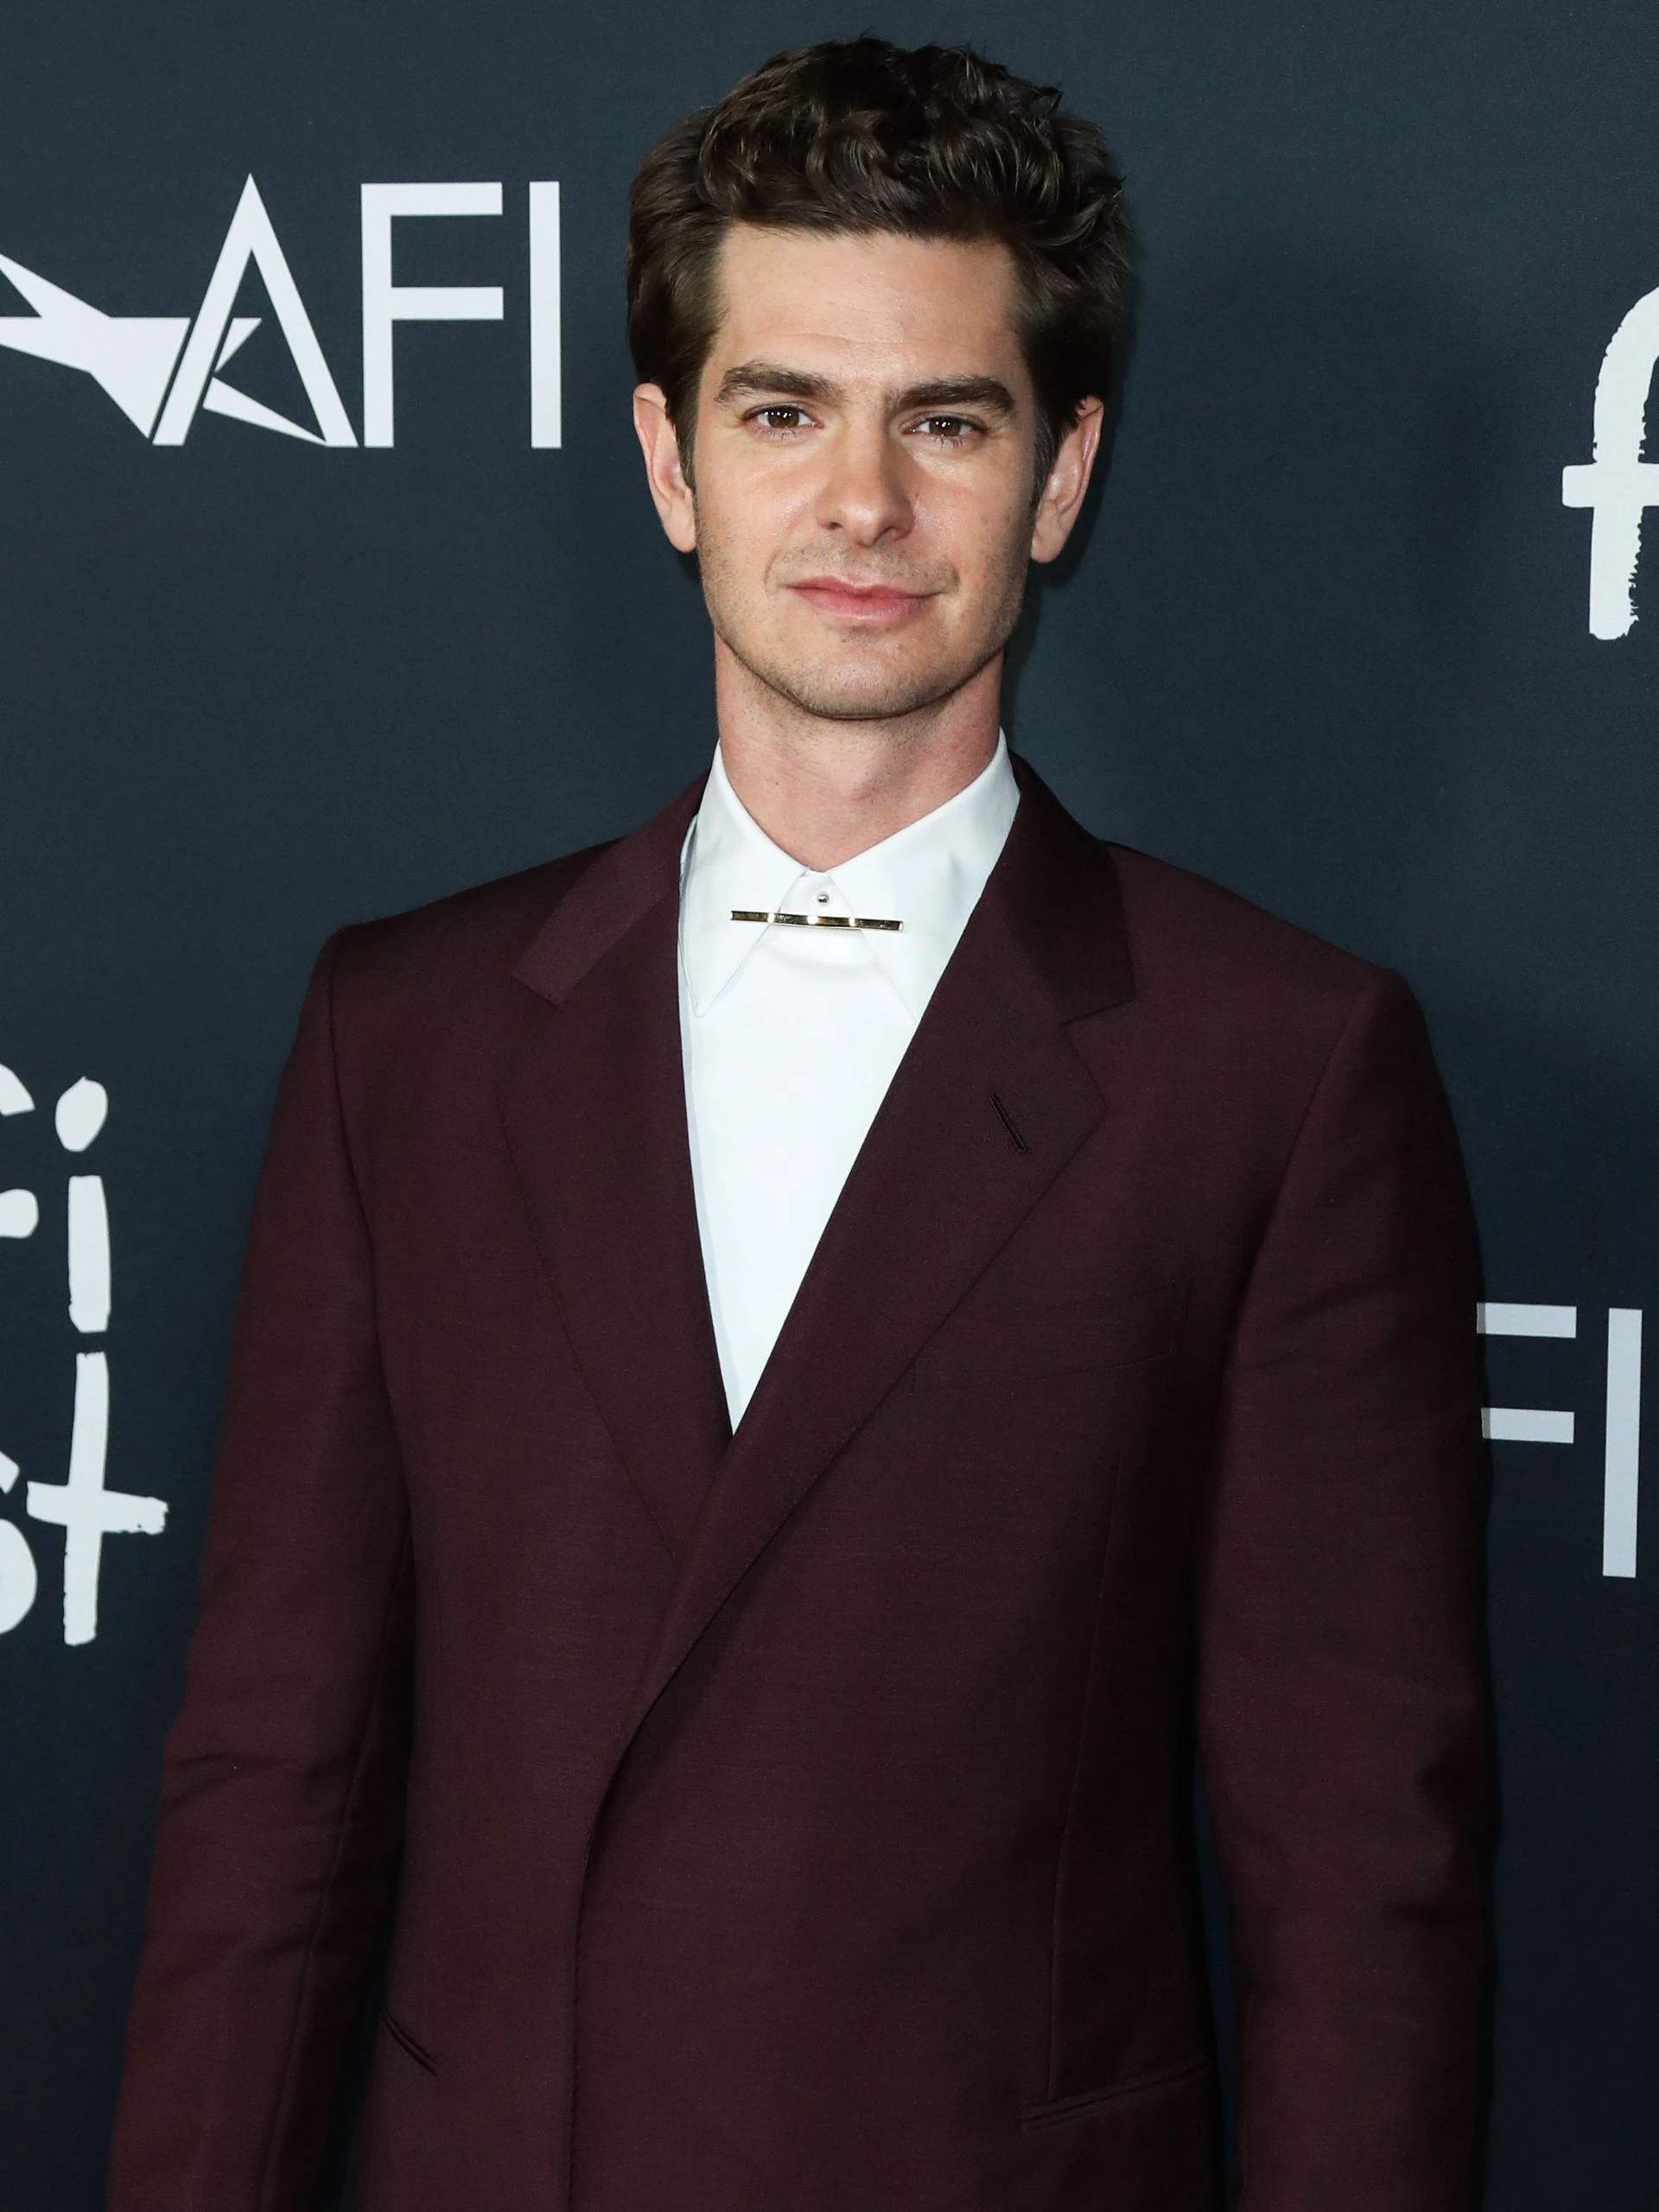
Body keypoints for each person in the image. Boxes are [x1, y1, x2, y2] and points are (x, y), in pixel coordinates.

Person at [106, 37, 1491, 2212]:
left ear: (1061, 474)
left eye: (945, 420)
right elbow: (280, 1778)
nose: (862, 504)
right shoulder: (409, 1036)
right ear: (669, 461)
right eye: (782, 412)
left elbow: (1361, 1875)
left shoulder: (1278, 1068)